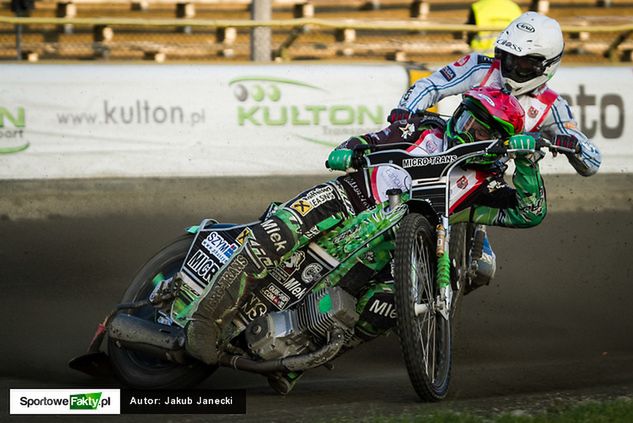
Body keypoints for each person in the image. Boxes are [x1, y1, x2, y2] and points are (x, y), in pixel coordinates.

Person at [185, 86, 544, 373]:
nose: (467, 131)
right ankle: (206, 319)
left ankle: (299, 355)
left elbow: (529, 212)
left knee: (382, 308)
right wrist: (350, 148)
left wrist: (528, 164)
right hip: (348, 198)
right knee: (280, 233)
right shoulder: (423, 128)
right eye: (466, 119)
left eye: (480, 130)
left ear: (499, 140)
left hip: (387, 250)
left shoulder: (486, 184)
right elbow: (374, 139)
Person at [388, 11, 602, 288]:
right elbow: (432, 84)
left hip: (487, 176)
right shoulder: (480, 66)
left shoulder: (553, 106)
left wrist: (573, 145)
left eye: (524, 64)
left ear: (545, 66)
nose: (512, 68)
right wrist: (404, 111)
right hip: (445, 149)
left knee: (482, 269)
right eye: (509, 58)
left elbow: (592, 163)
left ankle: (474, 235)